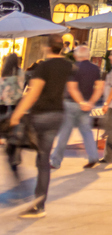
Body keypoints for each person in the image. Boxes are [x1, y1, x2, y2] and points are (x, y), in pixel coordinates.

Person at [8, 36, 72, 217]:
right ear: (61, 48)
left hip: (41, 116)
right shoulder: (68, 66)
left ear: (47, 47)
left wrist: (17, 113)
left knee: (16, 149)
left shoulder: (44, 66)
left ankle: (24, 189)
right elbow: (71, 89)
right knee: (44, 160)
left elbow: (33, 93)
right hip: (58, 115)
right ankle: (39, 203)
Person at [50, 45, 102, 170]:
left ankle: (55, 161)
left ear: (75, 56)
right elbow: (100, 87)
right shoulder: (95, 69)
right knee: (87, 132)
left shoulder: (73, 68)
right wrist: (90, 102)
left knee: (65, 133)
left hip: (71, 104)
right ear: (88, 55)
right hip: (87, 105)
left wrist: (81, 102)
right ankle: (93, 156)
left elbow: (72, 88)